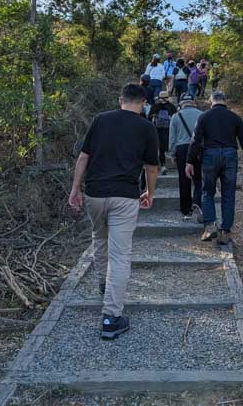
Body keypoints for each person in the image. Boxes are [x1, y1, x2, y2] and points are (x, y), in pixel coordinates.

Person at [69, 83, 160, 340]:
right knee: (120, 255)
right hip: (124, 195)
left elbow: (83, 158)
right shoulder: (146, 127)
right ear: (143, 102)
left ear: (120, 99)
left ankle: (103, 283)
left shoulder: (100, 120)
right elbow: (151, 167)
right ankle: (111, 317)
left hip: (95, 193)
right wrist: (149, 193)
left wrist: (75, 189)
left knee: (99, 238)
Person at [186, 90, 243, 246]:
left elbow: (195, 140)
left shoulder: (204, 117)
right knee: (228, 194)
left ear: (211, 101)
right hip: (230, 155)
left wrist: (189, 161)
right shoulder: (235, 118)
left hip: (210, 155)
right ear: (225, 101)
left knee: (207, 192)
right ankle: (225, 232)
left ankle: (210, 227)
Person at [169, 93, 203, 221]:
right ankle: (198, 203)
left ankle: (186, 210)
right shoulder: (201, 114)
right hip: (198, 148)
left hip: (182, 149)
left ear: (181, 103)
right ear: (193, 102)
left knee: (184, 180)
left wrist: (172, 153)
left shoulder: (176, 116)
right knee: (199, 179)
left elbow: (172, 137)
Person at [149, 90, 177, 174]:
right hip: (169, 129)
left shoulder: (155, 106)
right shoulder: (171, 106)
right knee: (169, 145)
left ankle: (163, 164)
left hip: (158, 129)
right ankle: (172, 162)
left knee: (160, 148)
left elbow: (149, 117)